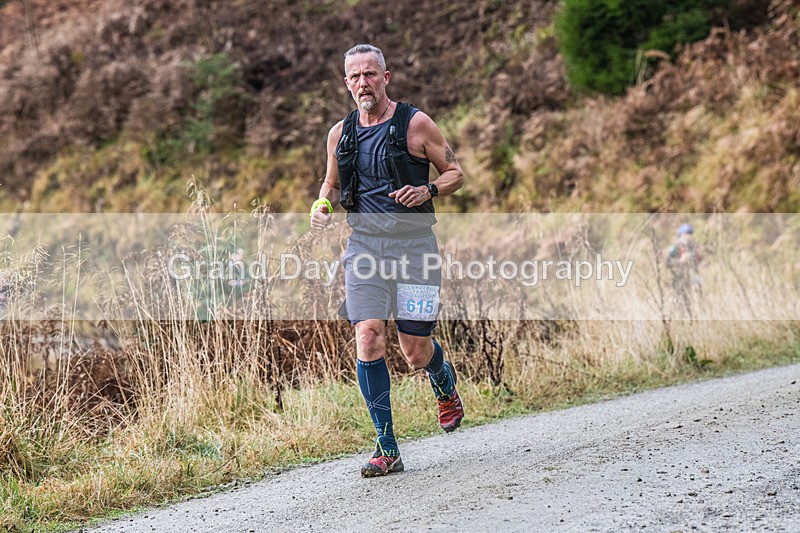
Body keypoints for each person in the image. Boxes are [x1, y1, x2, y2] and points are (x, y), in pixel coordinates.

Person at [310, 44, 466, 477]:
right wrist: (322, 205)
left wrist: (428, 191)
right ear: (346, 83)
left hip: (415, 250)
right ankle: (387, 448)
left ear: (386, 77)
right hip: (364, 250)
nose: (363, 82)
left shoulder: (416, 124)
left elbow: (455, 173)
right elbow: (331, 183)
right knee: (369, 338)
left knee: (414, 351)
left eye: (371, 74)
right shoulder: (339, 134)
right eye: (355, 76)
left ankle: (442, 380)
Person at [665, 223, 703, 315]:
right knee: (680, 302)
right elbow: (668, 263)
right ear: (681, 235)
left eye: (690, 233)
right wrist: (680, 260)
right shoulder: (675, 247)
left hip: (693, 277)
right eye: (686, 233)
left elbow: (700, 259)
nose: (689, 236)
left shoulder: (694, 246)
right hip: (680, 278)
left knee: (697, 299)